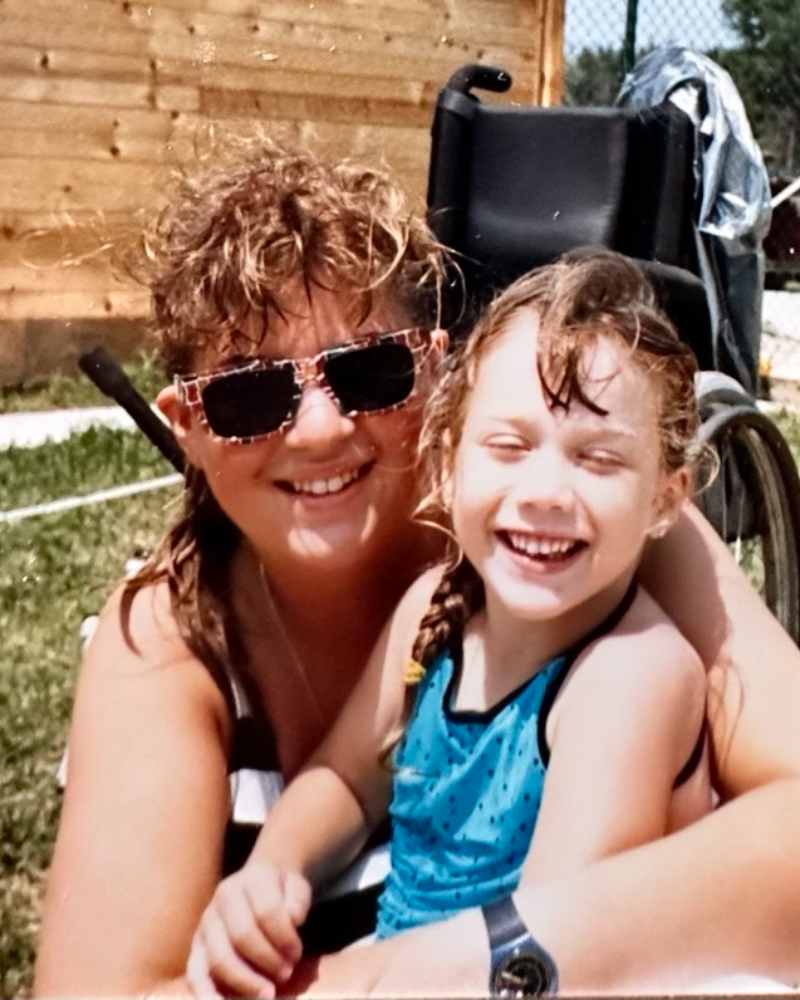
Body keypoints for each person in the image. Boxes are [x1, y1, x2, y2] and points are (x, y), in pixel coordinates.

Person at [33, 140, 800, 998]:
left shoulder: (582, 526)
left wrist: (423, 970)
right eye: (250, 395)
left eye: (369, 371)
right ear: (189, 424)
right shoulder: (171, 643)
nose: (319, 430)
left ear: (434, 373)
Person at [187, 251, 713, 998]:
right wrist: (272, 872)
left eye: (598, 459)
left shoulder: (628, 676)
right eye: (508, 446)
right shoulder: (435, 609)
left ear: (666, 497)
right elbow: (347, 778)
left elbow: (557, 945)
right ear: (447, 464)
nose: (545, 492)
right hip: (412, 967)